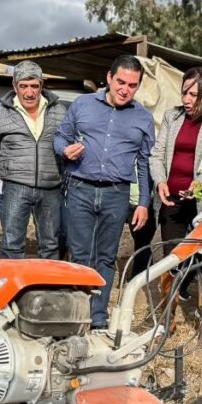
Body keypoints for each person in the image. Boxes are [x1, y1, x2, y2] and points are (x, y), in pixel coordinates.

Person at [54, 55, 154, 329]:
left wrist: (144, 202)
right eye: (120, 82)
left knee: (106, 257)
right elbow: (60, 136)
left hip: (116, 193)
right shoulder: (82, 105)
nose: (125, 89)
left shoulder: (143, 118)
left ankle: (98, 318)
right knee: (80, 255)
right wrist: (64, 150)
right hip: (80, 189)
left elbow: (144, 164)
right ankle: (76, 316)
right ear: (109, 78)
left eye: (132, 85)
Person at [149, 67, 202, 346]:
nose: (187, 99)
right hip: (172, 199)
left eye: (194, 94)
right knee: (171, 258)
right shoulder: (172, 116)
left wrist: (199, 185)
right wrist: (160, 181)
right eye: (184, 92)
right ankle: (166, 319)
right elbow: (157, 153)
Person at [0, 61, 66, 259]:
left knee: (51, 244)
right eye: (23, 86)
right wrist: (6, 172)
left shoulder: (59, 111)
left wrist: (57, 173)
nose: (29, 92)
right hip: (16, 186)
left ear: (41, 86)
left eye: (34, 86)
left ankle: (48, 288)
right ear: (15, 86)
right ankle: (15, 289)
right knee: (12, 243)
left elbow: (67, 144)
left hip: (50, 186)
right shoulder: (0, 113)